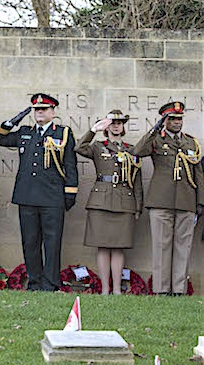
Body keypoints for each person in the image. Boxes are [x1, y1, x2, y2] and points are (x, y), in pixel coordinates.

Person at [0, 93, 78, 291]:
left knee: (52, 243)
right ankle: (34, 282)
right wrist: (12, 121)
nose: (39, 112)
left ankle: (50, 284)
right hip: (27, 195)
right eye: (36, 109)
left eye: (44, 109)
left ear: (52, 111)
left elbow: (70, 165)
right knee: (30, 242)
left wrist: (70, 193)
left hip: (52, 196)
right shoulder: (25, 132)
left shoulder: (63, 133)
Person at [130, 101, 203, 295]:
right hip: (161, 201)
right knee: (161, 246)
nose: (177, 122)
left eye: (179, 119)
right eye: (172, 119)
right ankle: (161, 289)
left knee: (183, 247)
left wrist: (200, 202)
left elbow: (198, 174)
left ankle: (179, 289)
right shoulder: (156, 140)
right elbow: (137, 151)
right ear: (165, 120)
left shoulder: (191, 142)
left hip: (186, 201)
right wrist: (155, 129)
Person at [75, 110, 143, 295]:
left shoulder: (131, 150)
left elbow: (136, 180)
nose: (116, 125)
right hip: (101, 201)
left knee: (119, 247)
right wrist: (93, 129)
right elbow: (79, 147)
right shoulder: (98, 146)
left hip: (124, 201)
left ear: (123, 127)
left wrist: (138, 206)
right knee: (103, 246)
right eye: (112, 122)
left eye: (119, 123)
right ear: (107, 126)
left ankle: (116, 290)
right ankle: (105, 289)